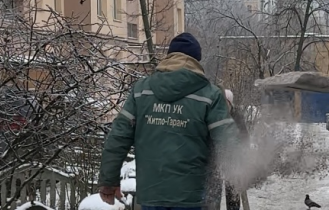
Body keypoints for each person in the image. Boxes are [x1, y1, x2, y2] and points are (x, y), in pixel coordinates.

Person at [97, 33, 239, 210]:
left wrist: (109, 182)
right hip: (192, 195)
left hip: (151, 193)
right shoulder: (210, 95)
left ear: (169, 57)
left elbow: (118, 137)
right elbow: (227, 142)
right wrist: (247, 171)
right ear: (196, 61)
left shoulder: (141, 91)